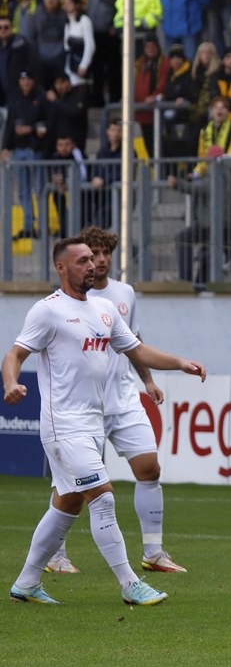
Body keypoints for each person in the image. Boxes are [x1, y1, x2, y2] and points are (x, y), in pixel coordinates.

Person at [5, 236, 206, 606]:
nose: (91, 265)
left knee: (67, 505)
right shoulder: (47, 311)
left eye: (91, 259)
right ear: (61, 267)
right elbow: (15, 354)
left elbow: (137, 349)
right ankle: (130, 584)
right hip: (64, 426)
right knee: (103, 497)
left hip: (93, 424)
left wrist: (179, 362)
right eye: (82, 260)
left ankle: (27, 582)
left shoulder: (104, 309)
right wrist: (11, 383)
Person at [44, 227, 189, 574]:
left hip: (123, 398)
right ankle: (56, 555)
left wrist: (148, 381)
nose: (100, 260)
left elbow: (133, 342)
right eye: (92, 254)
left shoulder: (124, 294)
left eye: (106, 253)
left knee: (149, 468)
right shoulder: (61, 303)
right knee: (70, 488)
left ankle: (153, 552)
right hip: (82, 408)